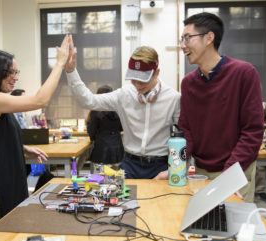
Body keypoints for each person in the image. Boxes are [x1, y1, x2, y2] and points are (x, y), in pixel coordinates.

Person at [0, 34, 70, 235]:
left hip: (9, 178)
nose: (16, 77)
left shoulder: (0, 103)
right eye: (11, 72)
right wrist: (59, 63)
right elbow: (40, 100)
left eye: (17, 71)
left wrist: (24, 148)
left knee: (13, 232)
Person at [171, 12, 264, 203]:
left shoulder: (244, 73)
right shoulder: (188, 83)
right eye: (182, 39)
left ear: (209, 38)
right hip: (201, 171)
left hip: (237, 169)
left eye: (188, 38)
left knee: (232, 225)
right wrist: (176, 168)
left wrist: (228, 176)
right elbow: (186, 130)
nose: (182, 45)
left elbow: (252, 132)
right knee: (201, 224)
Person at [65, 41, 181, 179]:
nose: (137, 85)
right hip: (130, 165)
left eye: (142, 80)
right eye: (133, 79)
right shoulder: (124, 94)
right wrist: (71, 71)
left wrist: (174, 169)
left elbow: (183, 137)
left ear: (156, 73)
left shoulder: (173, 98)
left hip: (161, 167)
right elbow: (88, 100)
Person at [86, 85, 124, 167]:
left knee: (101, 177)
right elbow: (121, 128)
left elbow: (92, 131)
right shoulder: (118, 109)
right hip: (117, 148)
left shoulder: (96, 110)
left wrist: (92, 138)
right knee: (115, 176)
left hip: (102, 148)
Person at [255, 106, 266, 200]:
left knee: (261, 167)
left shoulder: (262, 105)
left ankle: (260, 190)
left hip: (259, 137)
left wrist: (264, 124)